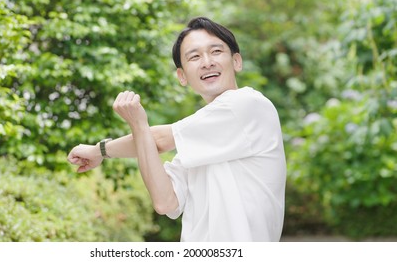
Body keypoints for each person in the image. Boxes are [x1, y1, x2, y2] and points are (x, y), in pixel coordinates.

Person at [67, 17, 286, 242]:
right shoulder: (197, 143)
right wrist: (138, 127)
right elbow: (165, 202)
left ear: (237, 61)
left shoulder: (247, 104)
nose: (207, 62)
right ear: (182, 76)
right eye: (194, 56)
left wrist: (100, 149)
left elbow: (160, 140)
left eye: (216, 51)